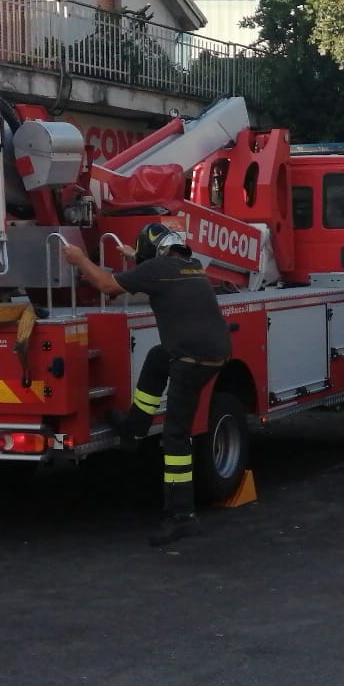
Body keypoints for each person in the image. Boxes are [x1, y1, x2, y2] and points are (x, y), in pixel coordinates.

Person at [61, 223, 231, 546]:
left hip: (191, 360)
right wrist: (135, 255)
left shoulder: (156, 269)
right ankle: (135, 428)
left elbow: (104, 285)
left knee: (175, 435)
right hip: (214, 351)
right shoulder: (188, 266)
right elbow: (152, 269)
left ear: (153, 252)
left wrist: (80, 258)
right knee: (157, 356)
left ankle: (182, 516)